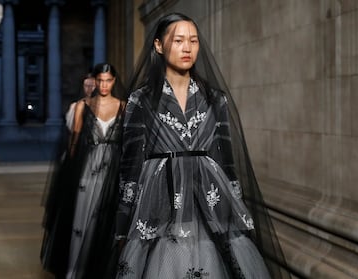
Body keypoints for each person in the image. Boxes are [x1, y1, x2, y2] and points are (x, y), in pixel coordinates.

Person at [114, 13, 290, 278]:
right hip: (159, 200)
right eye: (178, 40)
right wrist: (122, 223)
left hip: (209, 196)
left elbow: (227, 160)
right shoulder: (141, 100)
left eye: (193, 41)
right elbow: (130, 165)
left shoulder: (214, 99)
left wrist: (236, 206)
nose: (187, 48)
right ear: (159, 46)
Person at [41, 63, 126, 279]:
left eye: (109, 80)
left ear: (114, 81)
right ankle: (77, 271)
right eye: (101, 80)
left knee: (107, 222)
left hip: (113, 171)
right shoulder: (82, 106)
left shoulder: (123, 106)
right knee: (83, 219)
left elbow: (127, 143)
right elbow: (74, 143)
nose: (104, 85)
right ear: (95, 81)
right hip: (87, 170)